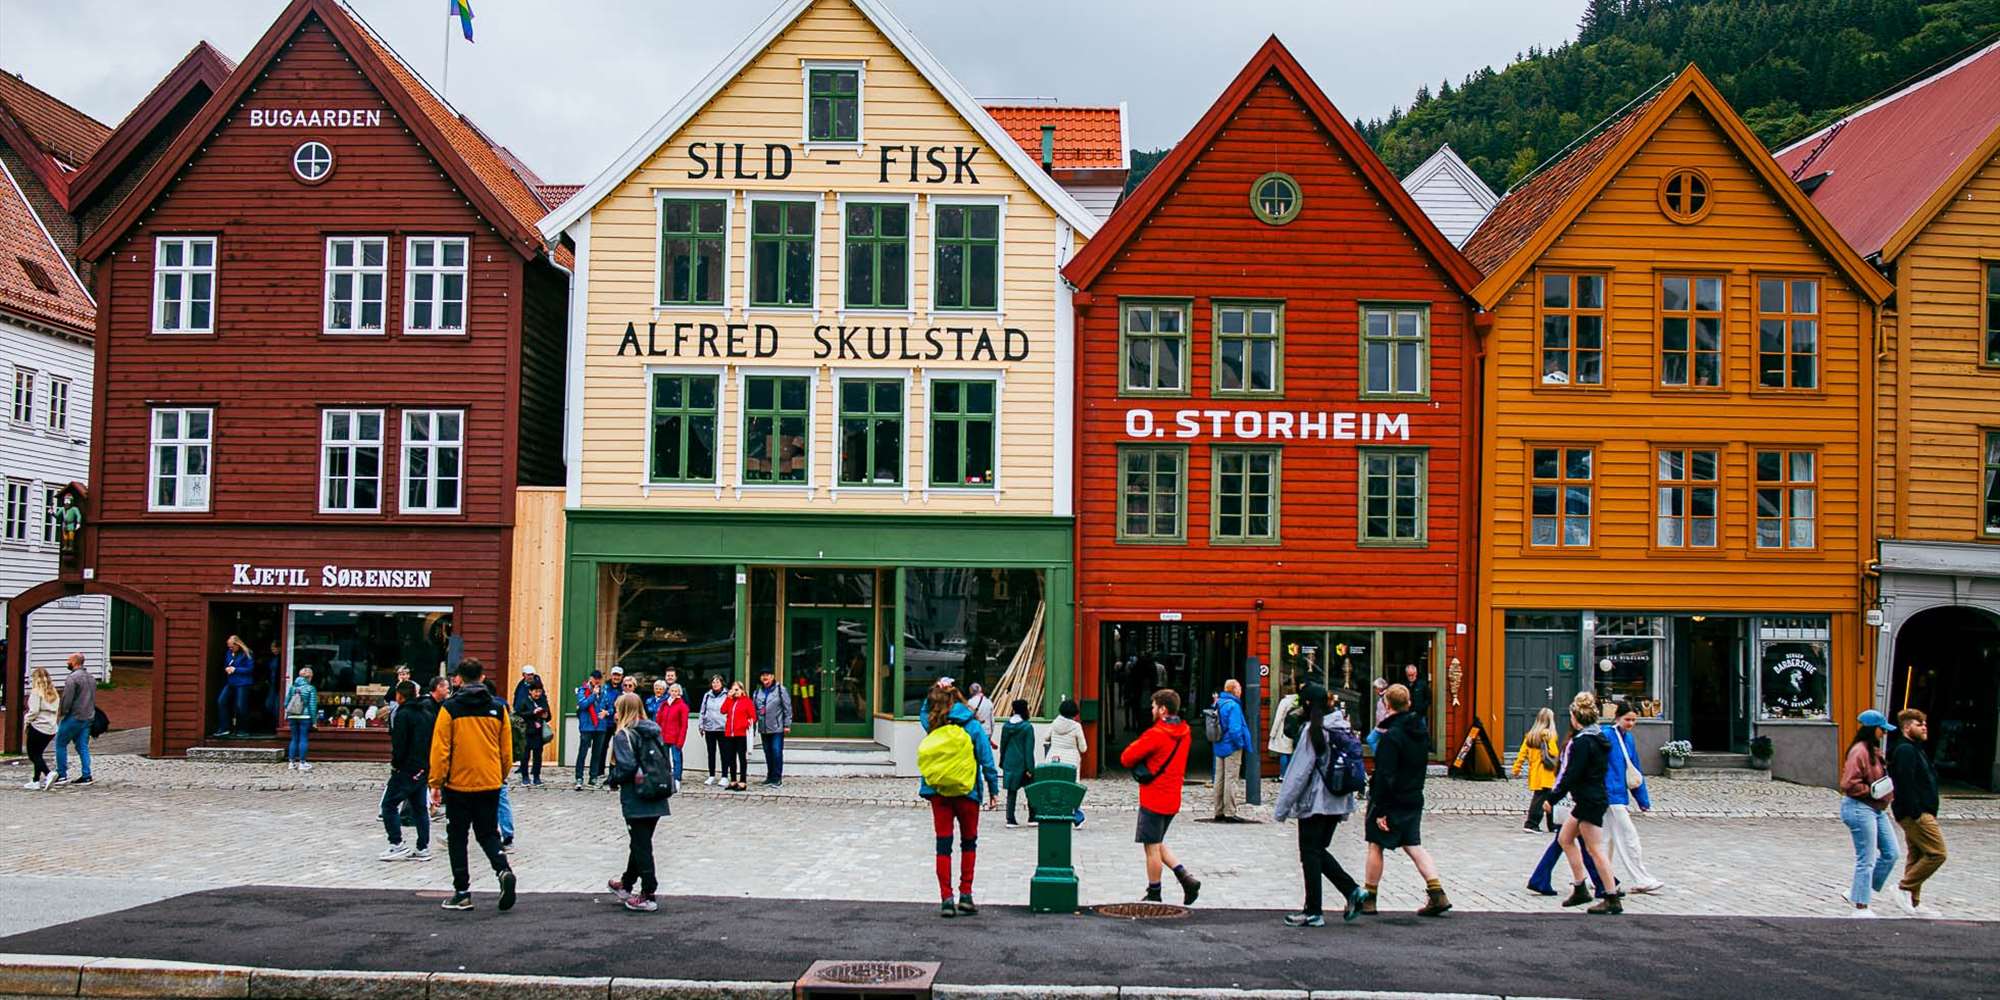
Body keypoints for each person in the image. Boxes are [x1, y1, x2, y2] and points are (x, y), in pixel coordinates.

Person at [1274, 681, 1367, 927]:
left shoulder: (1313, 731)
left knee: (1310, 854)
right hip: (1337, 802)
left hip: (1315, 802)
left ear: (1307, 704)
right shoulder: (1341, 725)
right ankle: (1352, 891)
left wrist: (1282, 808)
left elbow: (1298, 773)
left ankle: (1314, 910)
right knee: (1317, 851)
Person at [428, 658, 516, 912]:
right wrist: (500, 774)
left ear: (459, 679)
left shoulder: (450, 708)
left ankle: (462, 891)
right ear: (482, 676)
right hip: (489, 782)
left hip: (458, 783)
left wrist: (436, 783)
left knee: (457, 837)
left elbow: (440, 749)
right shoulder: (498, 709)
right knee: (488, 833)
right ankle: (503, 870)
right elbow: (507, 750)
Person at [1357, 683, 1451, 917]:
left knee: (1375, 844)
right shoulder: (1420, 732)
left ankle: (1370, 897)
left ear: (1387, 705)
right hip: (1413, 795)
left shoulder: (1392, 736)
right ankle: (1437, 892)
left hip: (1391, 799)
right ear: (1408, 703)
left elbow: (1386, 775)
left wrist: (1380, 810)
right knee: (1413, 844)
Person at [918, 685, 1001, 918]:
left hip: (939, 792)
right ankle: (966, 894)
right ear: (960, 700)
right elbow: (987, 762)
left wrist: (935, 689)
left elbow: (922, 713)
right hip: (968, 792)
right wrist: (993, 790)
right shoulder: (973, 726)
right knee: (969, 842)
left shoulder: (933, 724)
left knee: (943, 845)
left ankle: (946, 898)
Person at [1121, 689, 1200, 905]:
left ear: (1163, 709)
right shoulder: (1184, 732)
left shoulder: (1156, 734)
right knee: (1156, 842)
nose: (1152, 710)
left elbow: (1127, 757)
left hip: (1153, 797)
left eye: (1154, 706)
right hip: (1172, 796)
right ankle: (1186, 879)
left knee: (1151, 847)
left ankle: (1154, 892)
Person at [1549, 692, 1620, 914]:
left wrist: (1552, 798)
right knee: (1565, 838)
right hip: (1591, 797)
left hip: (1588, 800)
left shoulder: (1581, 743)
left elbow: (1570, 773)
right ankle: (1580, 887)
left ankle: (1611, 896)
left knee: (1594, 849)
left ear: (1574, 717)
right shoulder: (1599, 739)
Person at [605, 691, 670, 912]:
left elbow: (626, 768)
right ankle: (626, 883)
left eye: (617, 709)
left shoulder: (624, 735)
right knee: (639, 841)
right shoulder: (653, 731)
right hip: (657, 793)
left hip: (636, 796)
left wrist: (611, 779)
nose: (614, 714)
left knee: (641, 845)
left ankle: (648, 893)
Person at [1838, 709, 1901, 918]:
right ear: (1872, 729)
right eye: (1881, 730)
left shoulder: (1872, 750)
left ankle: (1857, 891)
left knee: (1892, 853)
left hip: (1875, 808)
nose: (1883, 734)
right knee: (1866, 859)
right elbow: (1848, 783)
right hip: (1860, 807)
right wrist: (1873, 791)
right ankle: (1861, 907)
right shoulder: (1860, 751)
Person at [1886, 708, 1944, 916]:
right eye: (1920, 725)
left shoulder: (1914, 748)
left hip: (1920, 810)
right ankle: (1903, 887)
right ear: (1908, 727)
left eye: (1925, 724)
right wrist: (1915, 811)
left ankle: (1913, 902)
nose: (1924, 727)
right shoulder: (1905, 750)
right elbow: (1904, 783)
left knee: (1918, 854)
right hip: (1916, 813)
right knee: (1937, 853)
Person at [1603, 702, 1664, 892]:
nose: (1630, 723)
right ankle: (1640, 877)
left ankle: (1595, 876)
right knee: (1627, 837)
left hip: (1616, 795)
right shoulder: (1605, 736)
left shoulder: (1628, 739)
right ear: (1617, 718)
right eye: (1627, 719)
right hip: (1610, 795)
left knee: (1606, 840)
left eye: (1633, 720)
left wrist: (1642, 800)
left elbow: (1634, 769)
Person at [379, 681, 432, 862]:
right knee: (419, 808)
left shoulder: (403, 714)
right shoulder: (426, 713)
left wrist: (396, 764)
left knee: (388, 805)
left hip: (406, 767)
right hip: (423, 766)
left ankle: (396, 844)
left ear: (400, 696)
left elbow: (400, 744)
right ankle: (423, 847)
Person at [1512, 707, 1561, 832]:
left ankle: (1552, 824)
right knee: (1541, 800)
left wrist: (1516, 769)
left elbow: (1522, 754)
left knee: (1546, 798)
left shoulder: (1530, 736)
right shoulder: (1548, 735)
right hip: (1547, 772)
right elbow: (1554, 752)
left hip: (1535, 772)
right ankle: (1532, 823)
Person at [1210, 678, 1252, 822]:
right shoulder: (1233, 705)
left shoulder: (1219, 703)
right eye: (1239, 687)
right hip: (1231, 746)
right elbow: (1235, 729)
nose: (1241, 690)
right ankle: (1230, 812)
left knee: (1219, 779)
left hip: (1219, 745)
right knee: (1231, 779)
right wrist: (1240, 744)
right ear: (1234, 690)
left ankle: (1218, 810)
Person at [1044, 698, 1088, 827]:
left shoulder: (1055, 723)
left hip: (1054, 758)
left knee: (1055, 786)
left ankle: (1056, 812)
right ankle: (1076, 816)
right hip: (1071, 760)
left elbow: (1046, 737)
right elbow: (1083, 748)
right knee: (1073, 788)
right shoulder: (1076, 727)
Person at [573, 670, 614, 789]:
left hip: (600, 726)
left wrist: (607, 712)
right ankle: (579, 777)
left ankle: (593, 777)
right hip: (586, 726)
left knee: (597, 753)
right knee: (583, 752)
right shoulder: (582, 690)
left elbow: (611, 708)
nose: (597, 681)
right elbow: (582, 705)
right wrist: (593, 695)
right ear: (591, 678)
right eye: (595, 678)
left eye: (599, 679)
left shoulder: (605, 691)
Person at [999, 699, 1036, 828]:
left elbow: (1002, 746)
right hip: (1023, 763)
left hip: (1009, 762)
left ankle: (1010, 818)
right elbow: (1029, 749)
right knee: (1030, 790)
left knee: (1011, 791)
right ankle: (1032, 817)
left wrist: (1002, 761)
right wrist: (1030, 768)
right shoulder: (1027, 727)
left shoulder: (1006, 726)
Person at [752, 668, 792, 787]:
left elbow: (787, 708)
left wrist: (787, 725)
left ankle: (777, 778)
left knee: (776, 752)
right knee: (768, 753)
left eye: (768, 675)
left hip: (777, 728)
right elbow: (755, 710)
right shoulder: (757, 692)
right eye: (763, 675)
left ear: (773, 676)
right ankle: (769, 777)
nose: (765, 677)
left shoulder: (780, 690)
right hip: (764, 728)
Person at [23, 666, 60, 789]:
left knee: (33, 754)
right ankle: (35, 780)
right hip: (51, 727)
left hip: (38, 726)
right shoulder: (54, 692)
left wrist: (26, 721)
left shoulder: (36, 693)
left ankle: (48, 773)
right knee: (38, 754)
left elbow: (33, 711)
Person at [213, 635, 254, 737]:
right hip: (231, 682)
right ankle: (224, 728)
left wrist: (235, 669)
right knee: (221, 701)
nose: (230, 648)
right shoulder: (229, 653)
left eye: (231, 646)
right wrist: (227, 668)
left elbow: (250, 669)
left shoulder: (247, 653)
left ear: (237, 645)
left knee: (240, 706)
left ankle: (243, 729)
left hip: (243, 683)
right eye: (229, 646)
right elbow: (227, 665)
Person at [721, 680, 755, 791]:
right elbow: (723, 710)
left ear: (742, 690)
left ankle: (743, 781)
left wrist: (745, 724)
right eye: (733, 689)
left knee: (741, 758)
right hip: (729, 733)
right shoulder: (730, 701)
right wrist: (728, 697)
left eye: (737, 689)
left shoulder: (747, 701)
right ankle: (733, 780)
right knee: (731, 758)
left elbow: (753, 717)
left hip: (741, 734)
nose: (735, 692)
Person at [516, 678, 550, 785]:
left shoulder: (543, 701)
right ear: (530, 691)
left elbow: (549, 716)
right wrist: (532, 712)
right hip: (526, 732)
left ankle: (536, 777)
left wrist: (546, 715)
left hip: (538, 732)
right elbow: (519, 714)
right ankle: (525, 777)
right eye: (535, 691)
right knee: (525, 756)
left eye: (539, 691)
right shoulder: (524, 701)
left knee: (537, 756)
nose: (538, 694)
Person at [283, 666, 318, 770]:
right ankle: (302, 763)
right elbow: (312, 706)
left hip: (292, 715)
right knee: (303, 738)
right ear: (309, 677)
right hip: (305, 716)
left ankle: (291, 763)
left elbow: (286, 703)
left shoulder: (292, 688)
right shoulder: (310, 688)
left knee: (294, 738)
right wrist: (314, 721)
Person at [655, 683, 690, 787]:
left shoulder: (682, 706)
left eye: (676, 691)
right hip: (664, 736)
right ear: (669, 691)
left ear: (679, 693)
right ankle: (666, 778)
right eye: (672, 690)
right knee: (664, 759)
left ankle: (677, 779)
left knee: (676, 759)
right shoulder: (664, 704)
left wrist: (681, 740)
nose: (674, 693)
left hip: (675, 737)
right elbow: (658, 720)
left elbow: (684, 725)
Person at [1268, 679, 1302, 777]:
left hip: (1284, 730)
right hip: (1295, 730)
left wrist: (1273, 733)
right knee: (1291, 753)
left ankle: (1282, 775)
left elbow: (1278, 718)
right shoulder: (1299, 701)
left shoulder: (1285, 701)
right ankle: (1291, 775)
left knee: (1284, 753)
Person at [698, 676, 728, 785]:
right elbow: (702, 711)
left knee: (724, 753)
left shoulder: (727, 695)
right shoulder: (707, 695)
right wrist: (701, 725)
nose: (715, 684)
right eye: (713, 682)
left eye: (717, 682)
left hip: (723, 728)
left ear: (722, 683)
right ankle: (711, 775)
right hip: (710, 728)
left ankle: (725, 776)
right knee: (711, 753)